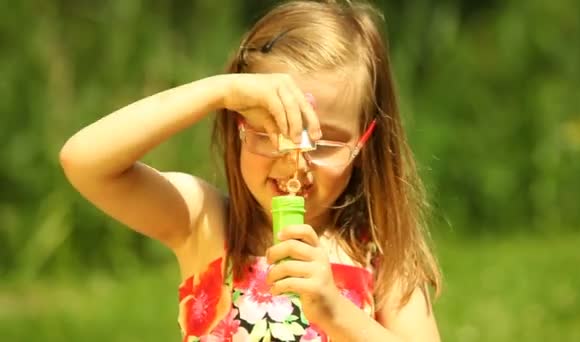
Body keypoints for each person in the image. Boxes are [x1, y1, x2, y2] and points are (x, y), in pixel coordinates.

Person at [60, 1, 441, 341]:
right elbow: (85, 162)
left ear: (365, 143)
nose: (294, 161)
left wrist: (336, 313)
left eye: (323, 143)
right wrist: (219, 92)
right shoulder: (207, 224)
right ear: (238, 125)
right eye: (268, 131)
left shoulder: (381, 253)